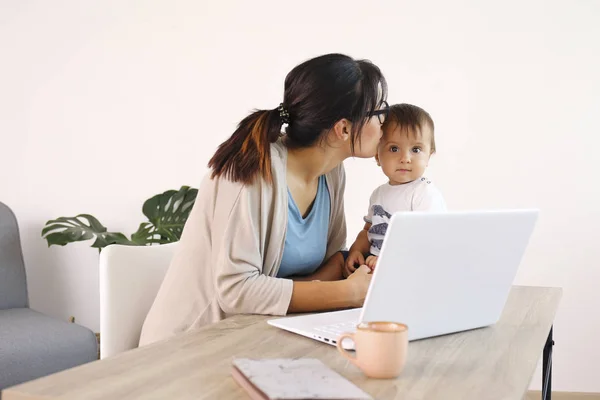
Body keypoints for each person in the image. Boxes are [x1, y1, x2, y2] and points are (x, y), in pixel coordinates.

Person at [139, 53, 389, 346]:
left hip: (262, 338)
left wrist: (350, 268)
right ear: (344, 128)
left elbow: (331, 264)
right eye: (380, 112)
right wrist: (348, 292)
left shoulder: (331, 174)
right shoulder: (252, 171)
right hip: (190, 346)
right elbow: (236, 289)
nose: (386, 122)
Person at [343, 103, 447, 277]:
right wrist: (356, 250)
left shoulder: (423, 193)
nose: (405, 158)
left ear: (429, 156)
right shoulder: (378, 194)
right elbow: (368, 230)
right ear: (377, 155)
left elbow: (427, 240)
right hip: (375, 267)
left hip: (410, 270)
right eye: (394, 149)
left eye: (416, 149)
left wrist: (386, 259)